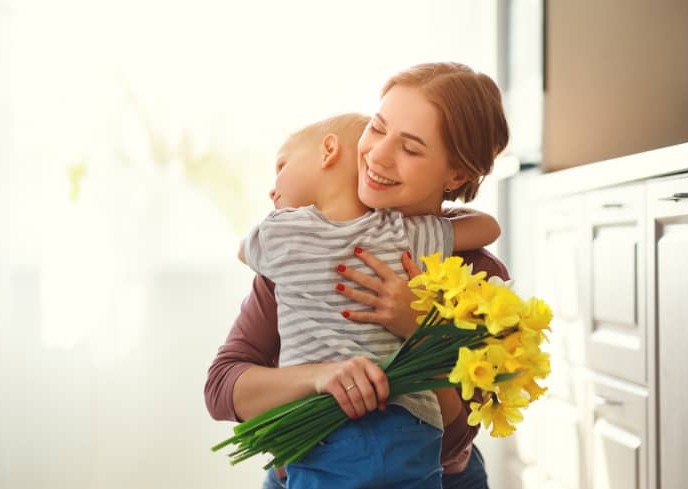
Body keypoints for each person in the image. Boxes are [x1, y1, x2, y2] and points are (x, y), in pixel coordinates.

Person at [205, 61, 509, 488]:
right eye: (379, 128)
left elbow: (454, 436)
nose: (378, 155)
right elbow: (221, 389)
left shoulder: (478, 276)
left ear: (456, 173)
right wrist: (318, 377)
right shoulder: (311, 245)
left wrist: (419, 329)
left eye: (411, 148)